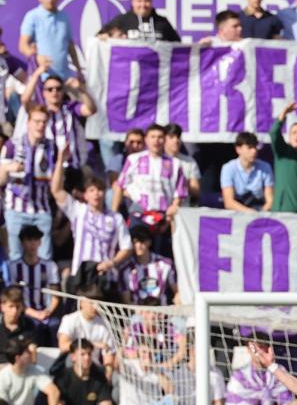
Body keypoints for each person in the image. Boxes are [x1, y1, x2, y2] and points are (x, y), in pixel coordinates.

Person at [49, 154, 131, 286]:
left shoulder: (116, 218)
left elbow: (126, 247)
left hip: (105, 275)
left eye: (99, 190)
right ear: (85, 195)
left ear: (104, 193)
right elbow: (56, 190)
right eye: (91, 190)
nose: (96, 194)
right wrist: (60, 161)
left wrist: (112, 262)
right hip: (81, 274)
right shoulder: (78, 211)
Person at [0, 104, 57, 261]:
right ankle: (15, 286)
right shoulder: (12, 145)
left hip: (41, 208)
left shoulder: (51, 147)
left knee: (44, 256)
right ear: (28, 122)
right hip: (16, 207)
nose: (40, 125)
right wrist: (7, 168)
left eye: (44, 122)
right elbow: (0, 180)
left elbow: (56, 180)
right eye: (37, 121)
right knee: (15, 256)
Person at [6, 224, 60, 341]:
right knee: (34, 326)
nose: (32, 244)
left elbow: (56, 296)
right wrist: (34, 313)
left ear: (40, 243)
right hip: (25, 312)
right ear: (22, 243)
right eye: (29, 240)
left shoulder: (50, 266)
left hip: (47, 312)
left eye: (36, 240)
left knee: (55, 326)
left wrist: (47, 311)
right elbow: (14, 296)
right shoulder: (14, 267)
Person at [0, 337, 52, 405]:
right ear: (18, 358)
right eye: (27, 352)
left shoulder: (34, 370)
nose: (31, 353)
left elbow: (53, 392)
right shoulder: (3, 377)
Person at [119, 224, 176, 306]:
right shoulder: (125, 269)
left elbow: (177, 292)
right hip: (138, 315)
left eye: (141, 241)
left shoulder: (165, 264)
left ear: (149, 241)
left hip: (163, 314)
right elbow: (127, 301)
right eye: (134, 242)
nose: (138, 245)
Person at [100, 0, 180, 42]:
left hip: (155, 65)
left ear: (151, 2)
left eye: (146, 1)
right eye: (139, 1)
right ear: (132, 2)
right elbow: (100, 36)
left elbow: (178, 46)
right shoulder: (123, 20)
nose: (143, 5)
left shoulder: (162, 22)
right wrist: (110, 38)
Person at [220, 132, 273, 213]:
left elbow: (270, 200)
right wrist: (250, 213)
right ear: (238, 149)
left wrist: (261, 214)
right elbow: (229, 202)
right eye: (250, 147)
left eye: (255, 147)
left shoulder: (265, 167)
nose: (254, 151)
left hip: (260, 210)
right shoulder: (228, 168)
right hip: (237, 213)